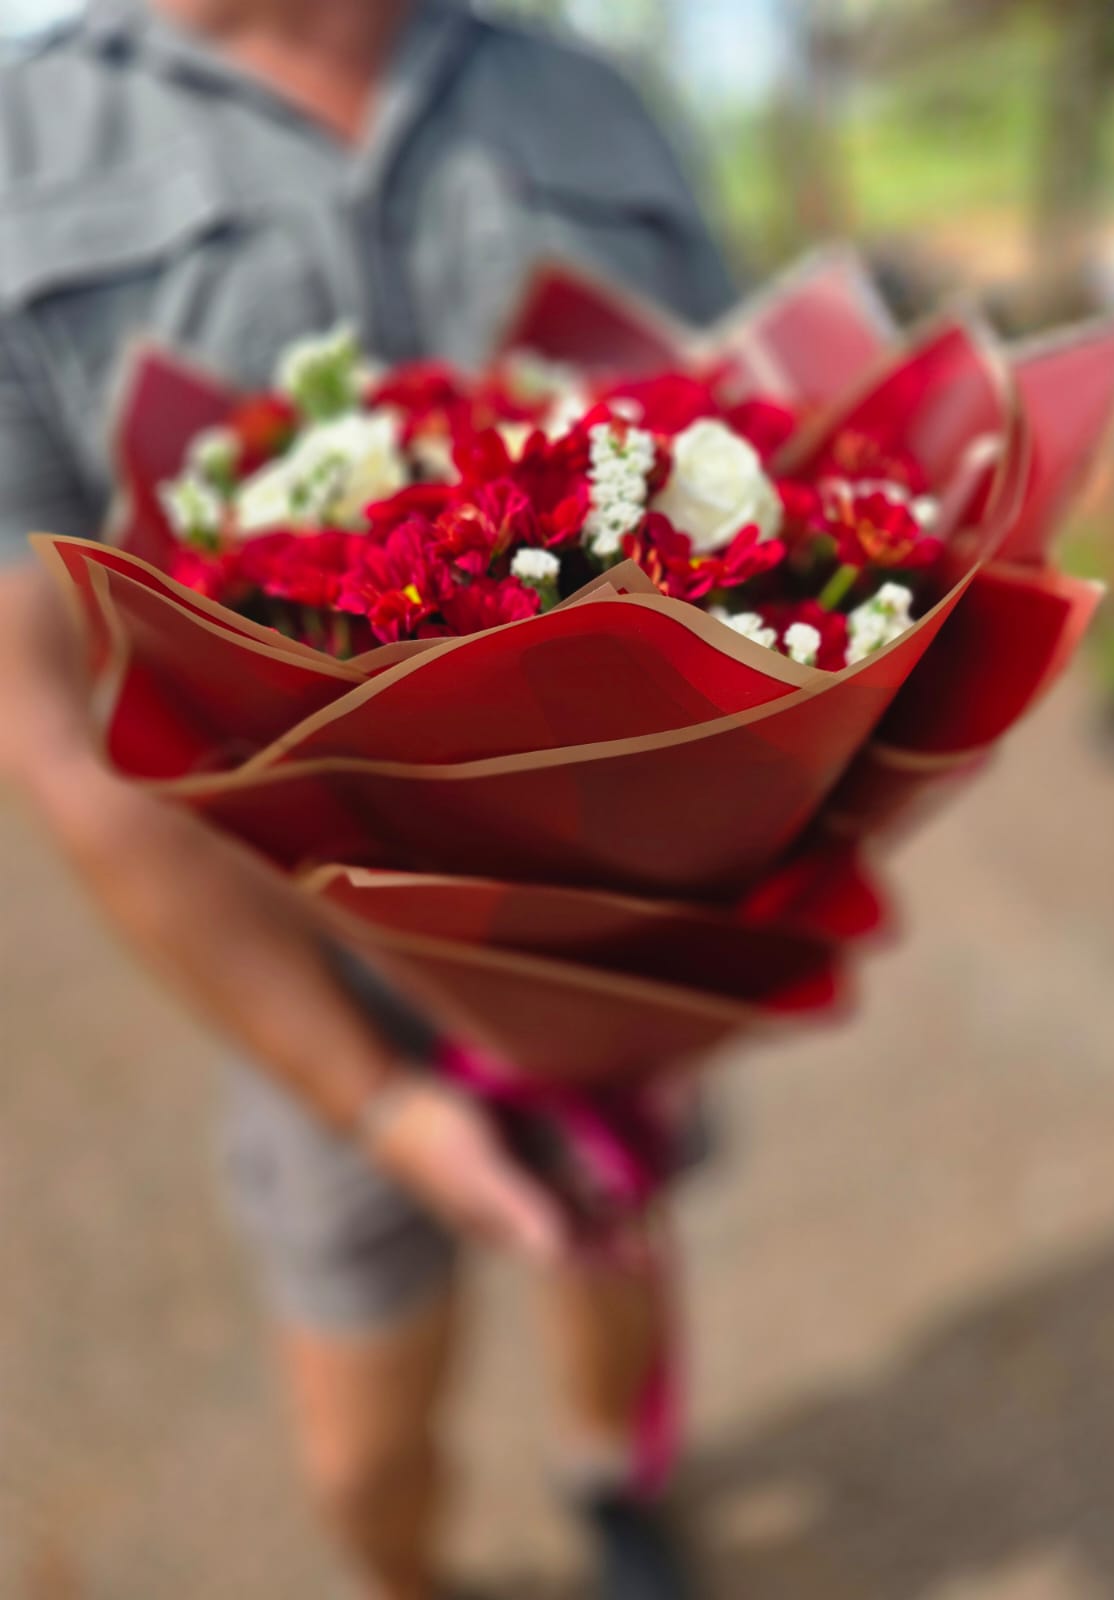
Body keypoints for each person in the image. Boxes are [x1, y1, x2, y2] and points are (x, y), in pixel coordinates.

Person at [0, 2, 733, 1597]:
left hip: (634, 946)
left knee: (620, 1252)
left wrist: (701, 969)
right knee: (364, 1455)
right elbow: (51, 712)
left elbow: (758, 491)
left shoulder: (598, 97)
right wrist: (373, 1100)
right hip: (319, 979)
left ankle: (618, 1498)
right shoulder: (23, 154)